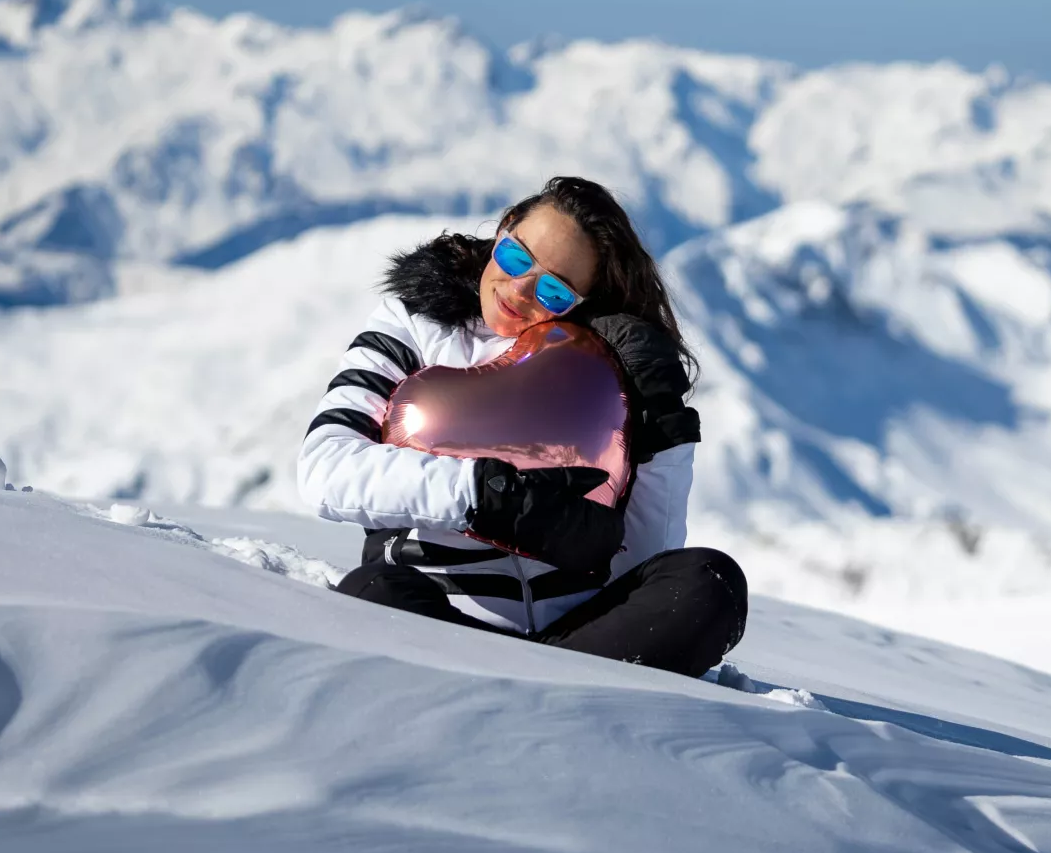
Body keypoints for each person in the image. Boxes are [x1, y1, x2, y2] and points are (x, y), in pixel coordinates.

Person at [297, 176, 747, 677]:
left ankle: (552, 687)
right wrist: (485, 494)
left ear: (582, 301)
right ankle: (571, 691)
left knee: (710, 582)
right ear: (503, 228)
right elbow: (325, 468)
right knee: (374, 592)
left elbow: (644, 557)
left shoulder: (599, 369)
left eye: (553, 290)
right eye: (515, 258)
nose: (519, 289)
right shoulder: (411, 324)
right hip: (443, 617)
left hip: (578, 632)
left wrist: (665, 437)